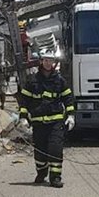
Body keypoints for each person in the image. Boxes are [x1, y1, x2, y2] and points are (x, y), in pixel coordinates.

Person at [18, 49, 74, 188]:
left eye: (51, 60)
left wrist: (71, 115)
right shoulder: (32, 81)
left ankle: (55, 177)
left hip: (56, 122)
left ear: (54, 62)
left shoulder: (59, 80)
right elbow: (24, 101)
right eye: (46, 60)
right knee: (40, 151)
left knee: (55, 149)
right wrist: (23, 117)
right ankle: (41, 174)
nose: (49, 63)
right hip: (38, 123)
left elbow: (68, 98)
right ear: (41, 61)